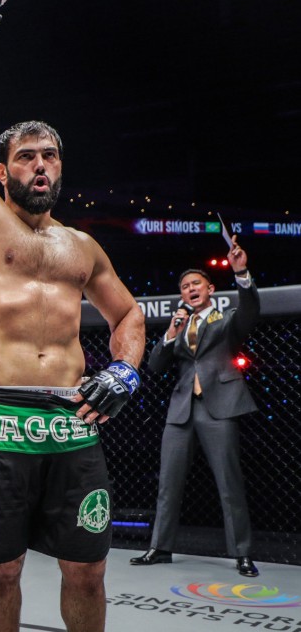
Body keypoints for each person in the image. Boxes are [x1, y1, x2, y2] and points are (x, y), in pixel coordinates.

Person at [0, 0, 145, 632]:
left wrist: (124, 370)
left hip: (70, 421)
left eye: (50, 155)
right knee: (2, 568)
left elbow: (128, 314)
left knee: (87, 570)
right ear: (1, 170)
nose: (40, 165)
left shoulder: (81, 246)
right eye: (27, 155)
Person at [130, 239, 260, 577]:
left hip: (219, 406)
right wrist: (170, 332)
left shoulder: (226, 319)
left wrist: (241, 273)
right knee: (168, 482)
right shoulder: (181, 325)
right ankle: (160, 547)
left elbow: (250, 309)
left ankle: (242, 553)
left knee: (229, 483)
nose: (191, 289)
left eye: (196, 284)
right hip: (181, 409)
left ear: (210, 289)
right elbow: (156, 365)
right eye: (185, 286)